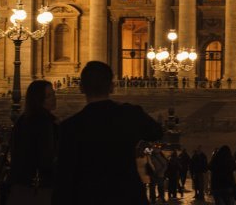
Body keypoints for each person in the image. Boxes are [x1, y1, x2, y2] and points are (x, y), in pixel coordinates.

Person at [53, 60, 163, 205]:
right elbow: (156, 132)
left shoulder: (69, 127)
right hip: (127, 196)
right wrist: (129, 110)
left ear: (81, 87)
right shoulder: (129, 115)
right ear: (112, 86)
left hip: (88, 197)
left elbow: (63, 175)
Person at [8, 80, 57, 204]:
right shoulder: (46, 122)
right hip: (39, 188)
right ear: (38, 99)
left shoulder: (21, 121)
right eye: (48, 96)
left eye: (53, 94)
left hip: (19, 186)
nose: (54, 98)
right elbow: (47, 158)